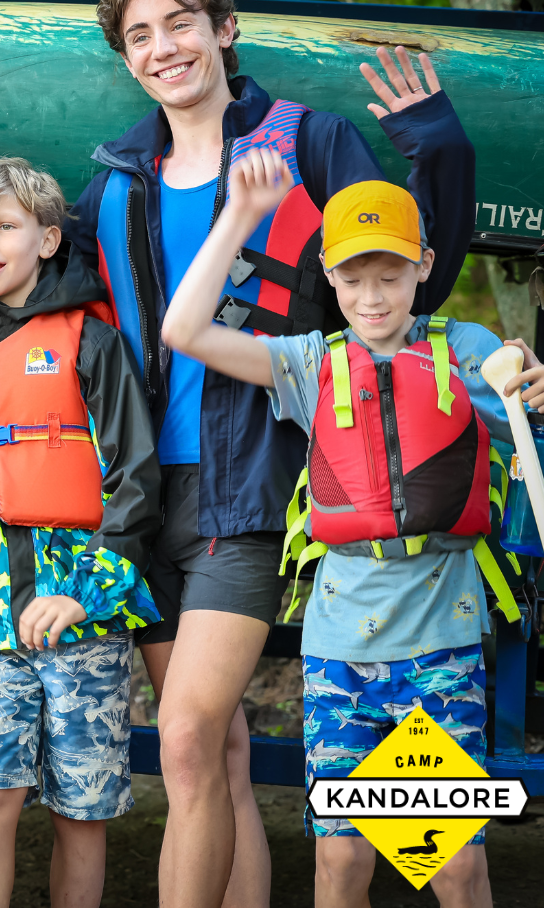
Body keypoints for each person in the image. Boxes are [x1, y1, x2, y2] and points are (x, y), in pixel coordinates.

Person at [0, 0, 472, 908]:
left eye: (181, 22)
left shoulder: (310, 144)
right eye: (140, 35)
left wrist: (439, 152)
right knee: (224, 756)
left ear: (224, 30)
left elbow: (405, 282)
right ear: (126, 58)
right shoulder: (116, 181)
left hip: (254, 491)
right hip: (142, 502)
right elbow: (36, 301)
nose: (164, 47)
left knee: (187, 739)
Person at [159, 155, 535, 908]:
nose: (372, 295)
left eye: (391, 274)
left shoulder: (459, 349)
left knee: (455, 867)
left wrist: (523, 365)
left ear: (424, 267)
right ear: (328, 276)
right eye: (354, 276)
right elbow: (183, 329)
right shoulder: (308, 363)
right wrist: (239, 215)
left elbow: (512, 374)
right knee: (342, 861)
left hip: (440, 648)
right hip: (339, 658)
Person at [0, 156, 161, 908]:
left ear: (49, 240)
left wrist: (89, 592)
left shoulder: (92, 342)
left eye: (4, 227)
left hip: (80, 595)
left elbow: (136, 478)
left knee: (79, 814)